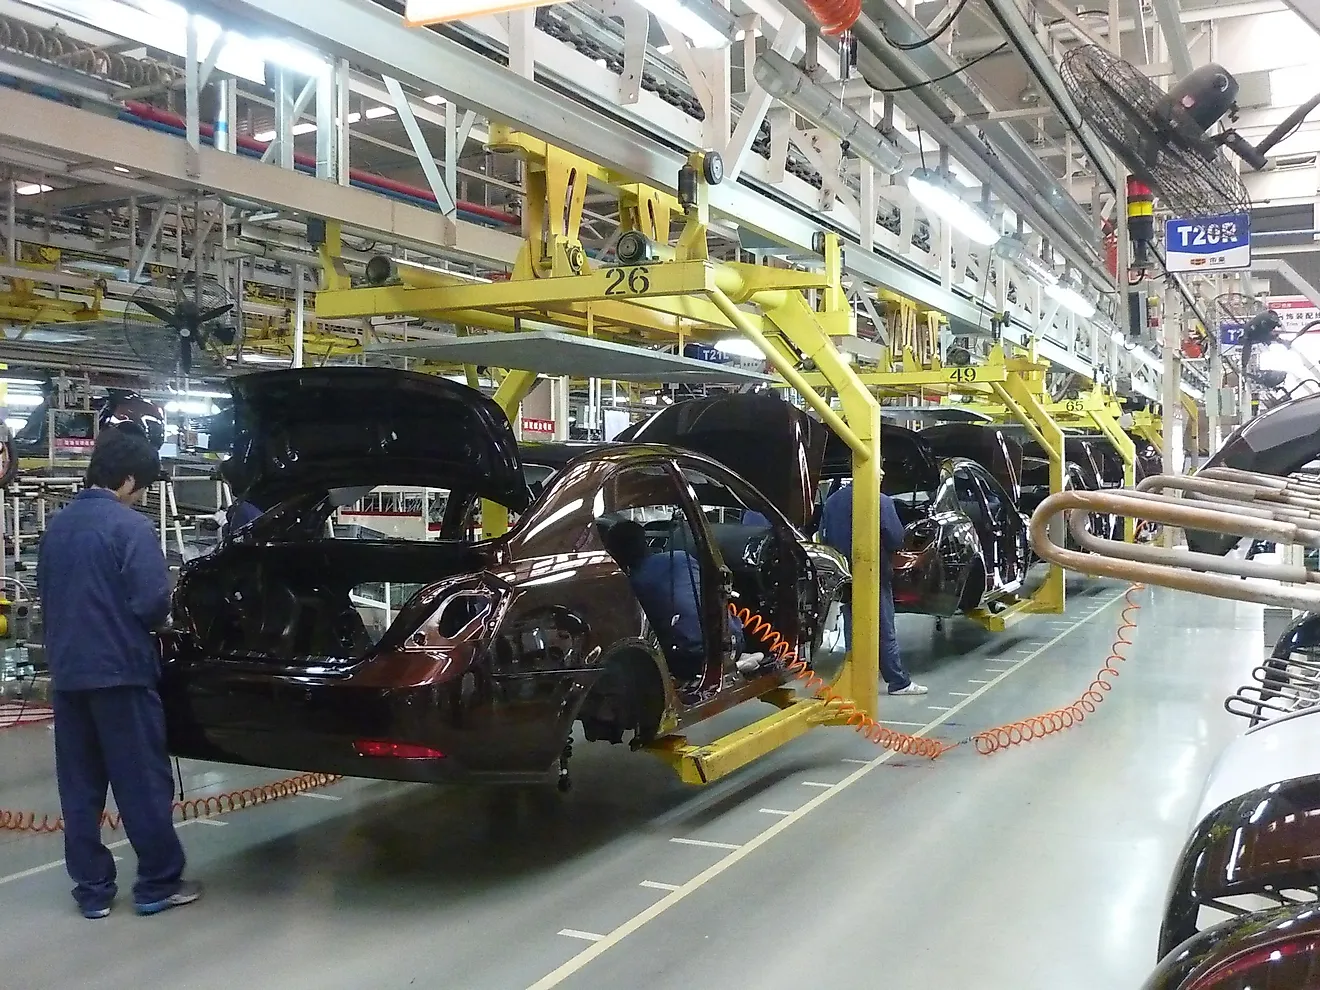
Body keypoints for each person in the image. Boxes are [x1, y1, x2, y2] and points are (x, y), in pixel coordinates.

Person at [38, 428, 203, 919]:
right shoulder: (130, 529)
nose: (143, 496)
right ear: (129, 480)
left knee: (80, 788)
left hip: (68, 677)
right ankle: (155, 884)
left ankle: (92, 891)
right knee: (142, 785)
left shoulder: (56, 528)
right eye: (144, 487)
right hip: (122, 675)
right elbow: (152, 602)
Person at [603, 519, 763, 683]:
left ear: (615, 554)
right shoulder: (681, 556)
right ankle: (737, 659)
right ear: (645, 542)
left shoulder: (632, 584)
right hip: (732, 640)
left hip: (693, 659)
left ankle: (726, 666)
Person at [818, 482, 927, 696]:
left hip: (845, 572)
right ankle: (898, 682)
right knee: (884, 627)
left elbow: (824, 536)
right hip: (873, 571)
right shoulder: (881, 501)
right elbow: (895, 538)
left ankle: (857, 676)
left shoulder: (832, 501)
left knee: (853, 624)